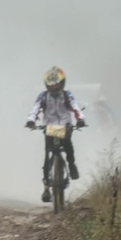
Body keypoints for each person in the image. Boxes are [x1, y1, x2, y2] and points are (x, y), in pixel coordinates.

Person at [25, 66, 86, 203]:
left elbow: (75, 108)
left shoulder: (67, 95)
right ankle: (46, 187)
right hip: (49, 127)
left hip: (65, 126)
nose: (54, 86)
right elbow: (35, 109)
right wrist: (30, 120)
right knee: (47, 156)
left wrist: (80, 119)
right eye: (51, 84)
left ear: (62, 82)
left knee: (69, 147)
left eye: (56, 83)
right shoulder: (43, 96)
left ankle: (71, 164)